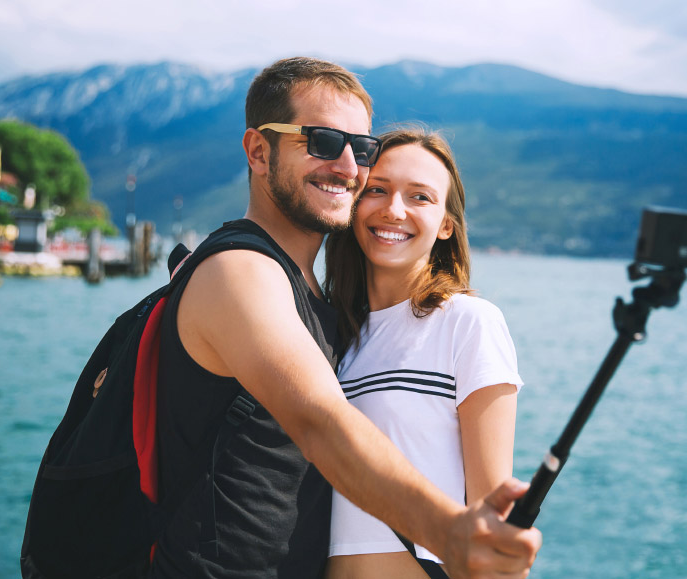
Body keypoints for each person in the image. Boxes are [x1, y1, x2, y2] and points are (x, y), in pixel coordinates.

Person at [148, 57, 541, 579]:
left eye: (361, 149)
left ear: (447, 224)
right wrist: (449, 531)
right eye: (323, 142)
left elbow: (493, 515)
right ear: (258, 152)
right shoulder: (240, 272)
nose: (349, 168)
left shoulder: (331, 317)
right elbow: (322, 426)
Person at [322, 128, 523, 578]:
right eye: (378, 189)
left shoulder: (468, 323)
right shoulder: (332, 339)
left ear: (446, 224)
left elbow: (493, 518)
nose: (394, 210)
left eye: (420, 197)